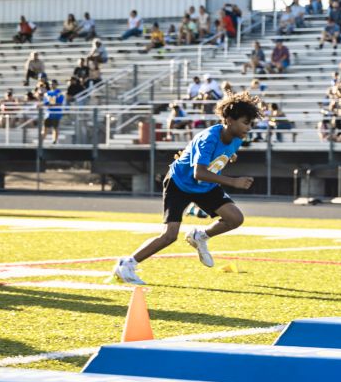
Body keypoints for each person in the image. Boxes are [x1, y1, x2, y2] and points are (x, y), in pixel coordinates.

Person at [112, 93, 263, 285]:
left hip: (205, 186)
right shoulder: (208, 138)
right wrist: (233, 182)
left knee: (235, 218)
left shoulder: (237, 137)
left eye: (250, 124)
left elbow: (222, 155)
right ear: (229, 120)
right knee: (169, 236)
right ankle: (126, 264)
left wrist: (229, 156)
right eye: (246, 123)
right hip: (180, 184)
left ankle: (200, 236)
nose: (248, 128)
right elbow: (198, 173)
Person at [41, 80, 66, 144]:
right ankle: (41, 141)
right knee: (45, 128)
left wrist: (51, 105)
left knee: (55, 128)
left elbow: (60, 103)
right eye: (51, 84)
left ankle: (54, 141)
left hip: (56, 113)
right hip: (48, 113)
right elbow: (45, 103)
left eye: (54, 84)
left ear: (56, 85)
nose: (52, 85)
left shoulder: (59, 93)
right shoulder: (47, 93)